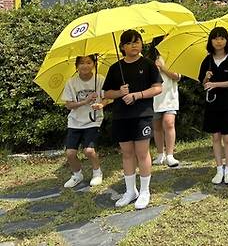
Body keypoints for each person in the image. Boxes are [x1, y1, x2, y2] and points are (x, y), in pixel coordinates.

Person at [103, 30, 162, 209]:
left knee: (142, 153)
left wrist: (137, 95)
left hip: (142, 115)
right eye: (129, 43)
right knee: (127, 153)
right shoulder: (115, 68)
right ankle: (131, 191)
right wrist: (120, 93)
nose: (134, 45)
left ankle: (145, 191)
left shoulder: (148, 64)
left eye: (137, 41)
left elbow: (158, 88)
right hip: (121, 116)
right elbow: (107, 93)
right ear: (122, 47)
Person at [198, 26, 228, 185]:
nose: (218, 41)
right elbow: (203, 84)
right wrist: (206, 78)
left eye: (222, 38)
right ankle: (219, 169)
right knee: (215, 137)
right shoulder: (207, 60)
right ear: (210, 41)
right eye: (215, 38)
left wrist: (216, 83)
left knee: (227, 137)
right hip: (212, 105)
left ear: (226, 41)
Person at [61, 55, 105, 188]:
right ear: (76, 66)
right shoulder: (71, 82)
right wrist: (85, 102)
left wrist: (101, 105)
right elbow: (68, 105)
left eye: (88, 62)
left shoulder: (100, 79)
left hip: (93, 120)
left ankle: (97, 173)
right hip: (75, 121)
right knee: (70, 153)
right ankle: (77, 175)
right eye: (81, 63)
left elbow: (107, 98)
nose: (85, 65)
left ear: (94, 64)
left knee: (89, 151)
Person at [149, 37, 182, 168]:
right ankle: (160, 154)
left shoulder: (173, 56)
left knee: (168, 123)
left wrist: (163, 68)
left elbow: (178, 76)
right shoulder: (149, 59)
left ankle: (170, 155)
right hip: (155, 98)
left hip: (170, 97)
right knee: (156, 126)